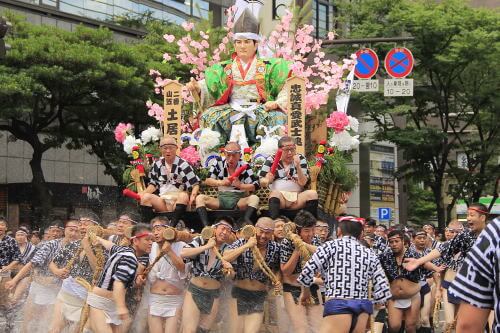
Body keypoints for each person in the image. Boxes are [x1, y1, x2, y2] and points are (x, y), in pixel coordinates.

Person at [186, 8, 290, 145]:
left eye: (247, 42)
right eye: (239, 42)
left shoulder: (270, 66)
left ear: (256, 44)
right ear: (234, 45)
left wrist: (277, 103)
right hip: (231, 108)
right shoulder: (223, 68)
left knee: (278, 117)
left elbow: (287, 85)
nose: (242, 46)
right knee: (208, 117)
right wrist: (198, 88)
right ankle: (216, 155)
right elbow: (208, 85)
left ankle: (268, 154)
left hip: (260, 108)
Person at [298, 216, 392, 333]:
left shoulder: (329, 246)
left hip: (339, 304)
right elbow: (383, 288)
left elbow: (306, 272)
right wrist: (375, 308)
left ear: (339, 231)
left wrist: (305, 293)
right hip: (362, 308)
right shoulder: (369, 253)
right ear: (361, 234)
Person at [6, 219, 80, 333]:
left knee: (53, 321)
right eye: (71, 230)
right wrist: (14, 280)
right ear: (65, 230)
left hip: (61, 289)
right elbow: (32, 264)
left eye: (77, 231)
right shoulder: (49, 244)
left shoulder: (79, 247)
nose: (73, 233)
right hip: (41, 284)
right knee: (30, 318)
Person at [86, 223, 153, 333]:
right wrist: (121, 307)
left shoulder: (124, 250)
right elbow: (118, 283)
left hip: (110, 304)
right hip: (101, 303)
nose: (151, 243)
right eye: (147, 240)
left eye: (152, 240)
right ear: (135, 241)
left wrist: (99, 239)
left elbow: (110, 246)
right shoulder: (130, 258)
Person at [223, 217, 281, 333]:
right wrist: (246, 246)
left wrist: (277, 281)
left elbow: (278, 268)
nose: (263, 236)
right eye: (261, 232)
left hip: (259, 295)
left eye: (267, 233)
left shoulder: (275, 248)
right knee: (236, 330)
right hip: (239, 293)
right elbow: (225, 257)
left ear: (272, 233)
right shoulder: (243, 241)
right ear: (255, 229)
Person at [180, 217, 235, 333]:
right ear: (214, 228)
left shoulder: (228, 249)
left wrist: (230, 270)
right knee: (189, 330)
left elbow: (232, 276)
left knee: (203, 330)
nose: (224, 233)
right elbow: (183, 253)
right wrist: (207, 246)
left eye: (228, 231)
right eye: (222, 228)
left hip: (213, 293)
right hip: (195, 290)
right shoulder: (201, 240)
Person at [48, 216, 98, 333]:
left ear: (96, 227)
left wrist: (87, 247)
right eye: (80, 224)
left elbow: (97, 270)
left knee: (76, 331)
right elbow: (52, 263)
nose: (82, 226)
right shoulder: (72, 244)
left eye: (86, 223)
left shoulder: (101, 247)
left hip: (85, 297)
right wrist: (57, 271)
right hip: (66, 293)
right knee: (54, 329)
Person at [450, 217, 498, 333]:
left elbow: (468, 326)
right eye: (468, 214)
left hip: (480, 287)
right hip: (467, 282)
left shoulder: (494, 232)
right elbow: (445, 251)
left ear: (482, 217)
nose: (469, 218)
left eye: (472, 214)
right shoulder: (465, 236)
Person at [195, 141, 260, 227]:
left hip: (239, 200)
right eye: (228, 155)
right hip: (221, 199)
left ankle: (246, 220)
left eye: (234, 155)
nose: (231, 159)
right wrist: (221, 182)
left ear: (240, 155)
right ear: (224, 154)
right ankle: (206, 226)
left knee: (254, 198)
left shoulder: (245, 165)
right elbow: (208, 180)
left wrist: (240, 185)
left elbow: (255, 186)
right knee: (200, 198)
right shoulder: (218, 162)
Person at [140, 136, 200, 227]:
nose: (168, 151)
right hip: (163, 200)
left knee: (184, 196)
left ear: (176, 148)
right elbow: (153, 184)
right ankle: (147, 227)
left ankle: (171, 227)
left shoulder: (183, 164)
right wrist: (144, 193)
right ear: (160, 149)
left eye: (171, 148)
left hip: (178, 201)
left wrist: (193, 195)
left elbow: (195, 184)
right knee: (145, 198)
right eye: (165, 148)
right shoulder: (157, 165)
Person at [280, 210, 321, 333]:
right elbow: (286, 271)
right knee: (301, 329)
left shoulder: (316, 240)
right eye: (306, 231)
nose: (311, 234)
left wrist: (304, 245)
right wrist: (297, 250)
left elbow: (322, 254)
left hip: (311, 286)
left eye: (313, 229)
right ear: (297, 231)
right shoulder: (287, 242)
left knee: (319, 327)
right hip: (292, 288)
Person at [259, 136, 319, 218]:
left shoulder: (300, 158)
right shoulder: (271, 159)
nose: (290, 153)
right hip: (280, 198)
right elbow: (261, 181)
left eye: (293, 149)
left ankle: (310, 223)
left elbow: (303, 182)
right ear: (279, 150)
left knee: (312, 194)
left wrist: (298, 166)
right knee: (275, 193)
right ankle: (275, 222)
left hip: (297, 198)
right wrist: (267, 179)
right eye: (287, 150)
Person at [378, 229, 425, 333]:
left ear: (403, 241)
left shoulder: (414, 254)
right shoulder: (384, 256)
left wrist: (436, 269)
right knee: (394, 326)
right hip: (394, 297)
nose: (394, 244)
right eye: (391, 242)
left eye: (396, 241)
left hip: (412, 296)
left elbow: (426, 264)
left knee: (410, 326)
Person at [147, 218, 188, 333]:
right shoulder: (151, 246)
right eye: (153, 229)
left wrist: (170, 251)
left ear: (168, 229)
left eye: (158, 228)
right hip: (155, 298)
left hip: (174, 300)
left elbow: (183, 269)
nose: (155, 232)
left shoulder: (181, 245)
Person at [436, 219, 464, 332]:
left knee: (458, 323)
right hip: (448, 286)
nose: (453, 234)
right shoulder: (444, 248)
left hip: (463, 288)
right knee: (449, 321)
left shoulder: (468, 248)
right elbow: (439, 272)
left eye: (457, 232)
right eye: (451, 232)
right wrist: (438, 289)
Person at [0, 218, 22, 332]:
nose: (0, 227)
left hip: (4, 273)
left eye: (2, 225)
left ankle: (9, 323)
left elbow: (17, 258)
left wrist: (8, 267)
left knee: (4, 300)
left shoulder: (11, 241)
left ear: (6, 228)